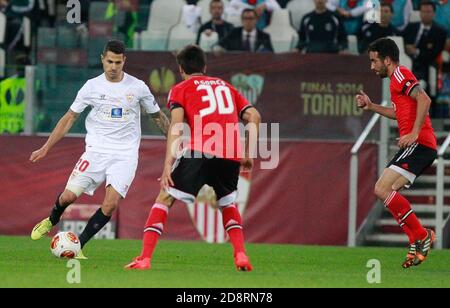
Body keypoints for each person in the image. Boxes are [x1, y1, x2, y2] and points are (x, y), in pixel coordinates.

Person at [125, 44, 261, 271]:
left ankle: (145, 258)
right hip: (230, 154)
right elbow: (254, 116)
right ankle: (241, 255)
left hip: (200, 151)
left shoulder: (180, 89)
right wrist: (248, 152)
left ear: (180, 69)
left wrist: (168, 163)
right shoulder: (227, 87)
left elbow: (177, 126)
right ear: (205, 66)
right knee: (227, 203)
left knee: (164, 198)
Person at [30, 40, 170, 258]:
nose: (113, 67)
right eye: (109, 62)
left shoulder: (138, 87)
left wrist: (175, 141)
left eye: (118, 62)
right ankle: (51, 220)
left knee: (110, 204)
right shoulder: (91, 86)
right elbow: (69, 118)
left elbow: (158, 117)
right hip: (95, 151)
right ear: (102, 60)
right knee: (67, 197)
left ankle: (79, 246)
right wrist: (46, 147)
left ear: (124, 61)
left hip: (125, 155)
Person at [356, 38, 437, 269]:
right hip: (422, 146)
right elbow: (398, 113)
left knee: (381, 189)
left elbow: (424, 98)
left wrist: (413, 133)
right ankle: (415, 241)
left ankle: (422, 235)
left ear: (387, 59)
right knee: (388, 194)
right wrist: (371, 107)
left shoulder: (400, 73)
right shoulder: (395, 81)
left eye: (374, 61)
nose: (372, 67)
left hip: (418, 143)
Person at [403, 0, 447, 92]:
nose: (425, 14)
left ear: (434, 13)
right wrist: (406, 48)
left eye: (428, 12)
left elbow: (434, 53)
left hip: (425, 63)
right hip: (406, 59)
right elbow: (402, 40)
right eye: (423, 12)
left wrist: (416, 52)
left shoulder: (440, 32)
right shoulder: (411, 27)